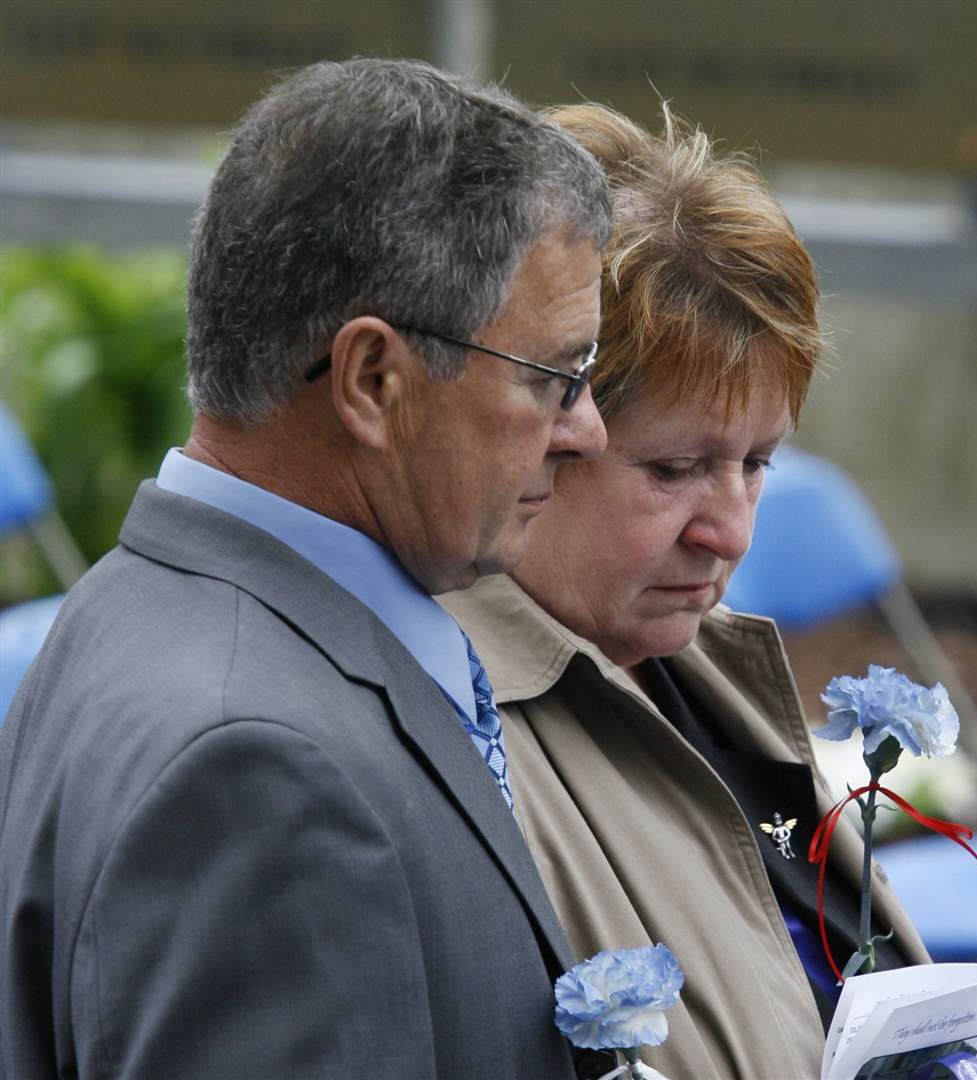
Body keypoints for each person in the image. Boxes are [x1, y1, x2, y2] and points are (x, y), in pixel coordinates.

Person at [0, 59, 616, 1079]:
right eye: (559, 378)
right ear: (374, 379)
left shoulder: (128, 604)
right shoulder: (258, 767)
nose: (585, 432)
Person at [442, 103, 930, 1079]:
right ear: (528, 431)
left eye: (756, 463)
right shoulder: (447, 734)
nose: (731, 530)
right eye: (673, 470)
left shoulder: (695, 661)